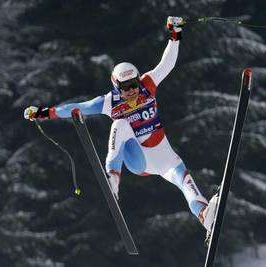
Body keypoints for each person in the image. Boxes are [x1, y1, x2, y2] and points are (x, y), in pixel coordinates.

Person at [24, 16, 218, 233]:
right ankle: (113, 177)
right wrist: (43, 113)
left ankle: (204, 217)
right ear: (116, 87)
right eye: (125, 87)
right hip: (138, 159)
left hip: (163, 156)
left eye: (133, 84)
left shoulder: (148, 85)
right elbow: (76, 107)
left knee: (186, 181)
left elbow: (168, 63)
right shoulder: (109, 102)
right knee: (121, 124)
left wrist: (175, 34)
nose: (131, 91)